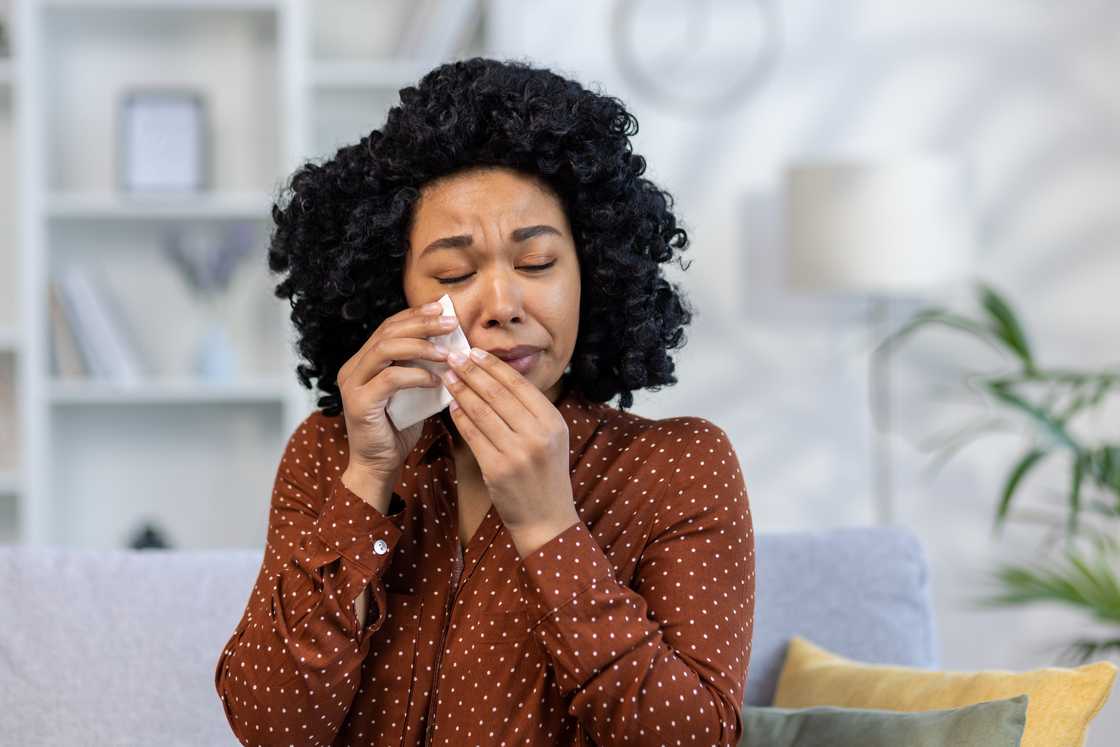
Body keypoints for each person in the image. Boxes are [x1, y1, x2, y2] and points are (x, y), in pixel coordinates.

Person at [214, 56, 755, 747]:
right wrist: (367, 479)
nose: (502, 305)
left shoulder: (679, 465)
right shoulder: (330, 453)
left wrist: (548, 527)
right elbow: (269, 726)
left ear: (593, 271)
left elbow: (695, 738)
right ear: (396, 293)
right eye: (455, 272)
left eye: (537, 263)